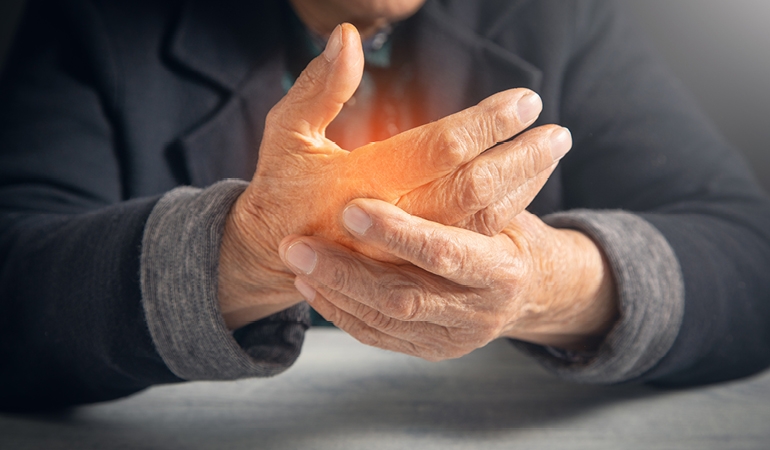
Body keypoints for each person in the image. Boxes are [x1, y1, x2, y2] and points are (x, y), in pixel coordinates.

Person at [1, 0, 769, 411]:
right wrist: (239, 252)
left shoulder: (562, 13)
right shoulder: (96, 18)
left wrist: (547, 284)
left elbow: (750, 260)